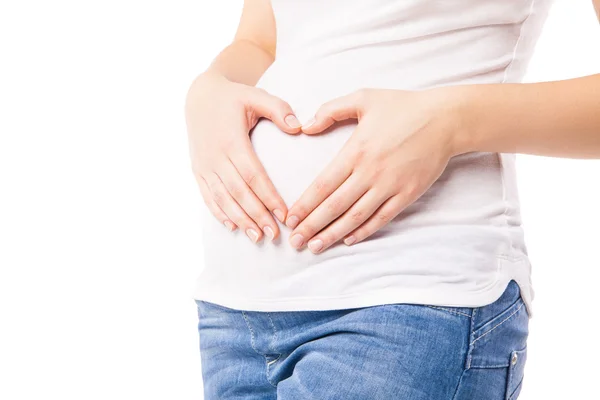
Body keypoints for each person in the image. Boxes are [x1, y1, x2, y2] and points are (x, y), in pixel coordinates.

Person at [184, 1, 600, 399]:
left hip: (410, 307)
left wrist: (451, 122)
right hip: (234, 314)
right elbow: (261, 41)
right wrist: (211, 88)